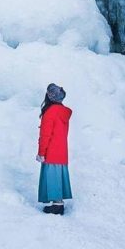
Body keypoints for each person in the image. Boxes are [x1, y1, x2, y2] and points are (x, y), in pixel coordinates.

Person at [36, 83, 72, 215]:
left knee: (52, 178)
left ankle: (57, 205)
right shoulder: (64, 112)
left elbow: (45, 135)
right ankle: (58, 203)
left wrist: (41, 152)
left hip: (51, 151)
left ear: (50, 97)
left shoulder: (50, 113)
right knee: (57, 177)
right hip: (62, 151)